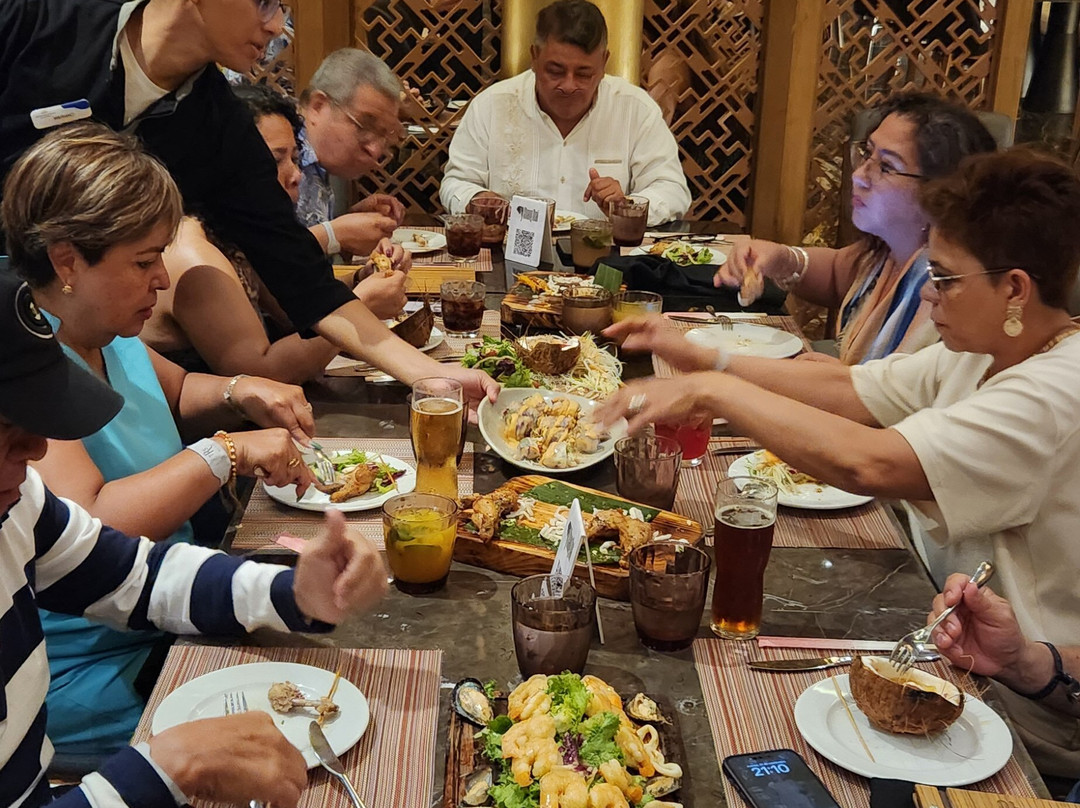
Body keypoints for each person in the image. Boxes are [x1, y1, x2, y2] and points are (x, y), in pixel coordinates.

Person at [599, 148, 1080, 776]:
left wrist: (713, 393)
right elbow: (853, 391)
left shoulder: (1053, 391)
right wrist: (700, 357)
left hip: (1019, 709)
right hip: (936, 639)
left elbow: (868, 463)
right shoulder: (990, 348)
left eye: (945, 278)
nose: (929, 293)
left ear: (1014, 287)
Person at [0, 269, 389, 808]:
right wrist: (166, 768)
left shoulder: (19, 505)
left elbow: (137, 578)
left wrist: (293, 593)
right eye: (7, 431)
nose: (38, 452)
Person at [1, 121, 322, 762]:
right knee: (288, 736)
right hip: (98, 661)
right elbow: (93, 520)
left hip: (164, 604)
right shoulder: (28, 378)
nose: (163, 280)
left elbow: (174, 392)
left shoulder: (110, 329)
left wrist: (241, 390)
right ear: (67, 262)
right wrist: (226, 451)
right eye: (145, 262)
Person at [0, 0, 498, 406]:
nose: (277, 24)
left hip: (70, 349)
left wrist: (431, 376)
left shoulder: (220, 128)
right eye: (263, 3)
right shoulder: (34, 21)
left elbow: (300, 275)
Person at [144, 85, 407, 380]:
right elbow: (258, 373)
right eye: (274, 160)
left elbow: (292, 312)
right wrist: (364, 301)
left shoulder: (237, 232)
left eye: (294, 158)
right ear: (223, 166)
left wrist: (362, 279)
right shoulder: (194, 255)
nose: (296, 175)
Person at [720, 93, 996, 364]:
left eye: (886, 167)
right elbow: (837, 272)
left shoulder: (944, 283)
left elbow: (896, 391)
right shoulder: (890, 249)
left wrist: (842, 380)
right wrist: (781, 258)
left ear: (940, 190)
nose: (858, 175)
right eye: (866, 153)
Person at [439, 0, 691, 225]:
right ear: (534, 57)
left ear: (604, 63)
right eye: (556, 71)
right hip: (509, 252)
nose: (569, 85)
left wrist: (626, 205)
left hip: (605, 253)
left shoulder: (636, 109)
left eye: (583, 74)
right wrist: (477, 198)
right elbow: (456, 182)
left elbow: (672, 190)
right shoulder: (491, 105)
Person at [294, 48, 412, 258]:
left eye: (383, 135)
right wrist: (335, 234)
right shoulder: (277, 155)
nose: (375, 150)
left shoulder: (321, 163)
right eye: (363, 127)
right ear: (318, 106)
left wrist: (349, 223)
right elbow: (263, 257)